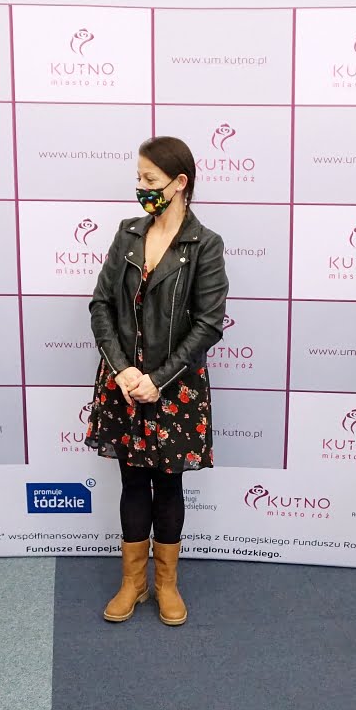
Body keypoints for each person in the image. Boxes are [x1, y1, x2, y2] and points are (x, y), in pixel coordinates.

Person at [87, 136, 229, 627]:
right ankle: (133, 582)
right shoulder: (127, 234)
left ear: (179, 182)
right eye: (139, 178)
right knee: (131, 481)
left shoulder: (205, 244)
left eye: (150, 179)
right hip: (124, 383)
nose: (141, 187)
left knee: (168, 485)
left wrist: (159, 379)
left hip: (175, 388)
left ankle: (166, 583)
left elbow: (208, 324)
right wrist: (123, 369)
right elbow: (101, 305)